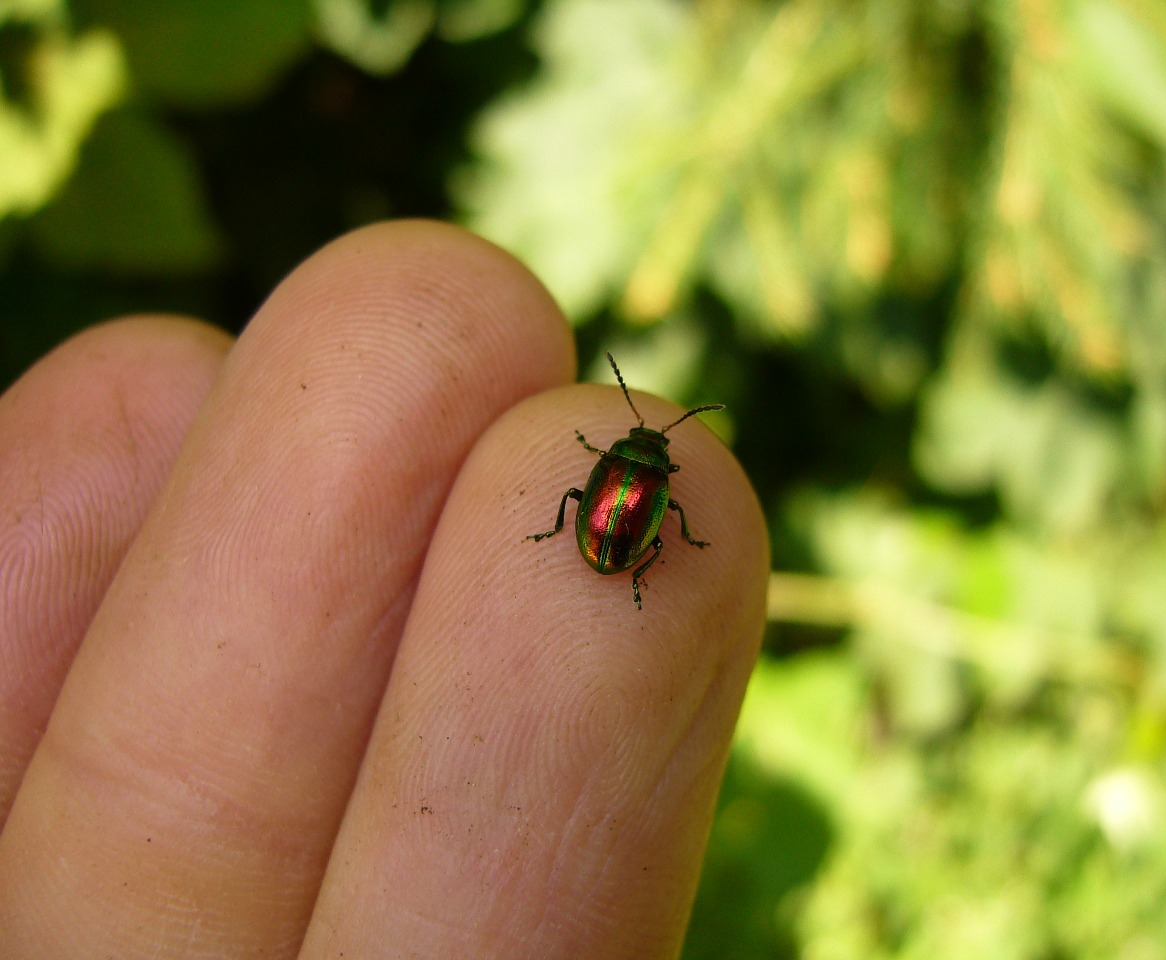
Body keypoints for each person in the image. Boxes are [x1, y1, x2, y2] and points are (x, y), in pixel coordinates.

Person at [0, 221, 768, 958]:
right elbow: (648, 522)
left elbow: (597, 496)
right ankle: (608, 566)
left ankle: (566, 546)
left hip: (595, 544)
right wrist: (638, 560)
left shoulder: (618, 469)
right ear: (648, 459)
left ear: (622, 453)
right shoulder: (658, 484)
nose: (644, 455)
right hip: (616, 556)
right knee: (658, 535)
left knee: (597, 518)